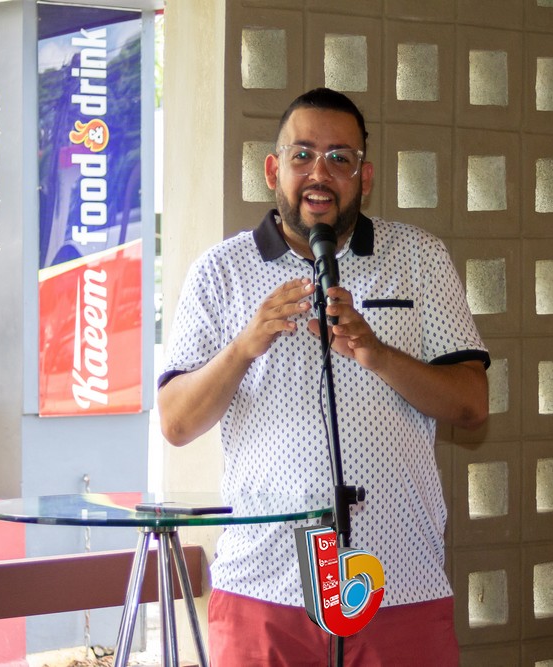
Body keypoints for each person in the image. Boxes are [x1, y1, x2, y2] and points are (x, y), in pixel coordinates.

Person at [157, 87, 490, 666]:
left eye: (340, 158)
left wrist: (377, 353)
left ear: (366, 176)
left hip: (398, 583)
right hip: (263, 591)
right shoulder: (220, 271)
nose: (320, 173)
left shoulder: (419, 258)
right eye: (303, 155)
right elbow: (176, 422)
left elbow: (472, 404)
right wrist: (246, 346)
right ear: (273, 170)